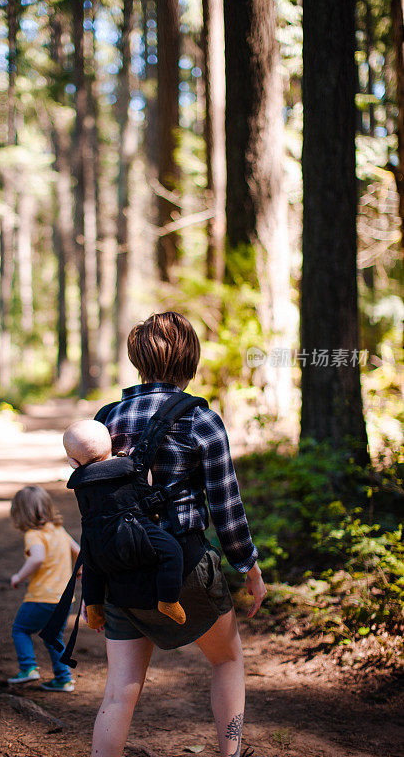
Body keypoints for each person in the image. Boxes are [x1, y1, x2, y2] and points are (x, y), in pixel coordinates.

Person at [89, 311, 267, 757]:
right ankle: (230, 753)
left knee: (119, 691)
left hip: (120, 570)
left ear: (138, 359)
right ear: (190, 361)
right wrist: (248, 566)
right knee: (226, 659)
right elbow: (226, 507)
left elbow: (98, 505)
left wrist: (92, 573)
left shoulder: (106, 419)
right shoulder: (200, 420)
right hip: (183, 565)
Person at [62, 418, 187, 627]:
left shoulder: (79, 482)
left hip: (97, 539)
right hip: (133, 531)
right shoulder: (128, 468)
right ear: (111, 447)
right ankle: (168, 599)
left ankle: (93, 608)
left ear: (73, 463)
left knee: (91, 566)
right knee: (172, 550)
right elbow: (146, 485)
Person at [8, 484, 80, 692]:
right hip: (64, 599)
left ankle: (28, 667)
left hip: (42, 597)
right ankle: (63, 679)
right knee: (53, 637)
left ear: (20, 513)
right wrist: (79, 569)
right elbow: (78, 551)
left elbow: (37, 558)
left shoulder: (33, 534)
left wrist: (19, 576)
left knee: (20, 629)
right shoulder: (58, 530)